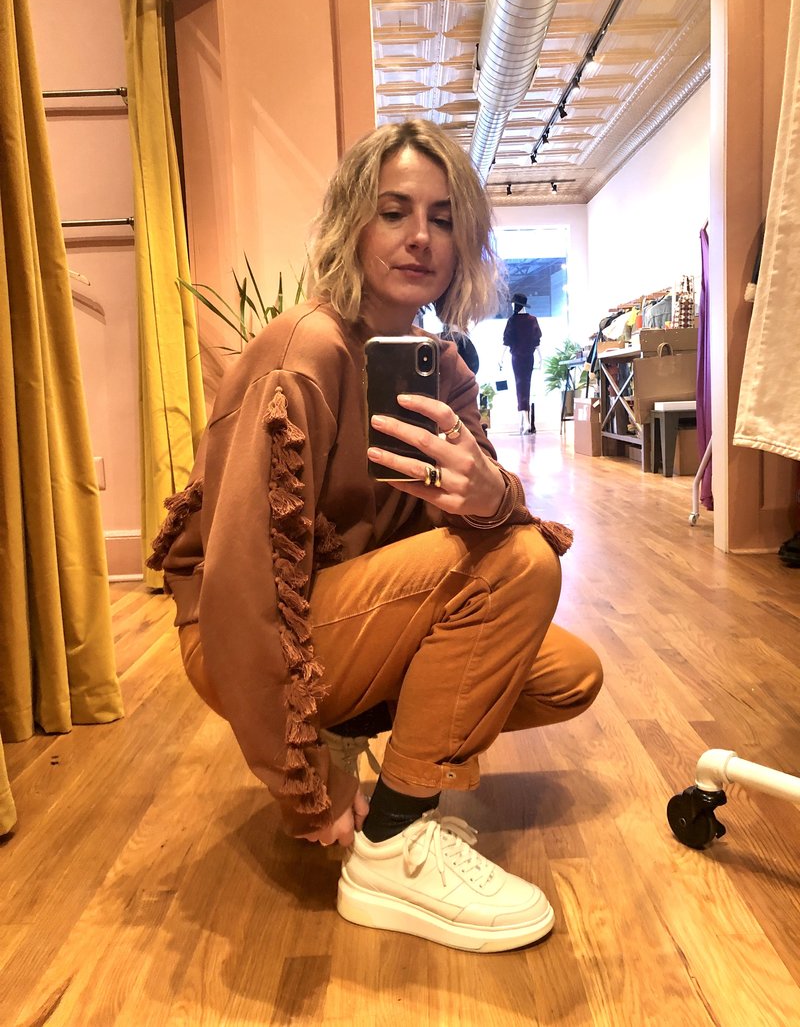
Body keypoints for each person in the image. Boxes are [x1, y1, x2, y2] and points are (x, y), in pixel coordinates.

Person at [148, 120, 602, 954]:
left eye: (442, 218)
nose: (419, 237)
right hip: (246, 636)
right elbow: (243, 587)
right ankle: (392, 846)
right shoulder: (305, 350)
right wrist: (308, 785)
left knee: (568, 673)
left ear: (463, 243)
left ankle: (390, 785)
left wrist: (488, 491)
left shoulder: (440, 363)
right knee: (522, 565)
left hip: (351, 615)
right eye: (394, 211)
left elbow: (498, 519)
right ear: (352, 222)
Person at [501, 292, 542, 434]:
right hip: (529, 358)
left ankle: (526, 422)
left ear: (516, 304)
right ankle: (524, 420)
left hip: (517, 358)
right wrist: (541, 357)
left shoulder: (513, 321)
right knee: (526, 385)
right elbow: (536, 341)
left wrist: (500, 358)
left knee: (520, 386)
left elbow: (506, 341)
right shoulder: (532, 320)